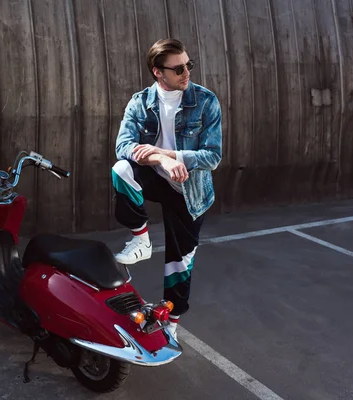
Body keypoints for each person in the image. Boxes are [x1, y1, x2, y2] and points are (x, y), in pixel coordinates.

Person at [112, 38, 222, 340]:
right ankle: (141, 240)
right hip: (155, 176)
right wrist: (160, 157)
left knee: (179, 263)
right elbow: (123, 146)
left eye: (189, 65)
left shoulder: (205, 101)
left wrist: (175, 156)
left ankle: (171, 323)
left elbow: (212, 156)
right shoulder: (140, 102)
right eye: (177, 69)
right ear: (157, 72)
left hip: (190, 191)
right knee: (121, 170)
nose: (186, 73)